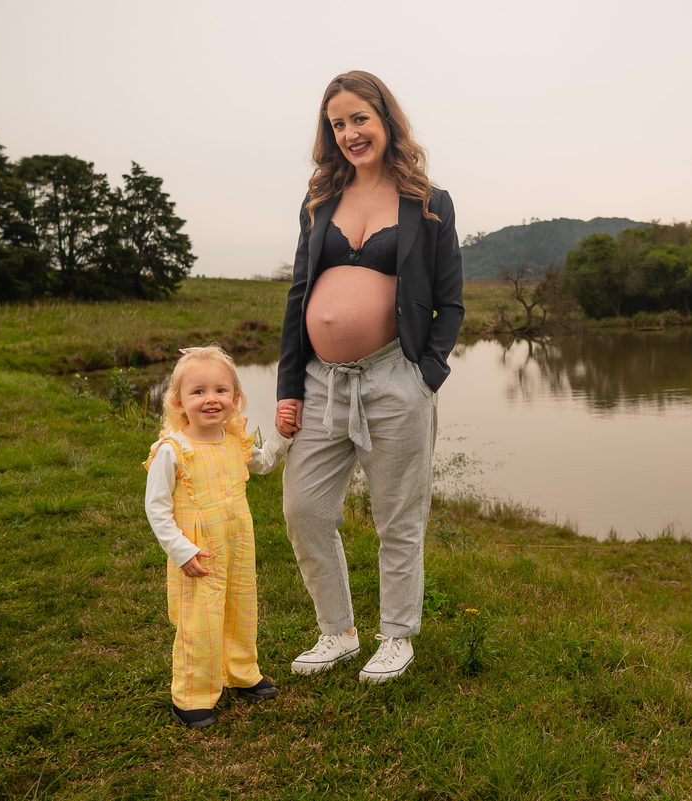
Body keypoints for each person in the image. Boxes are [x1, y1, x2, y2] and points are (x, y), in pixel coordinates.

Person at [275, 70, 464, 684]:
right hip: (321, 380)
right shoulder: (319, 202)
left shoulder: (429, 202)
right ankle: (338, 632)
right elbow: (299, 294)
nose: (351, 132)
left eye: (360, 118)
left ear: (385, 119)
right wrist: (287, 388)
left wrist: (426, 374)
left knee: (398, 517)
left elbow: (450, 302)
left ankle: (397, 636)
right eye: (338, 124)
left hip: (394, 378)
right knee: (304, 507)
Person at [144, 345, 294, 728]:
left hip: (238, 542)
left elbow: (262, 462)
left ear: (235, 398)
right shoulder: (173, 450)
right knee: (201, 622)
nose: (211, 399)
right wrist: (181, 550)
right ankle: (191, 697)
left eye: (220, 390)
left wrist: (281, 435)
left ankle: (241, 672)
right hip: (198, 551)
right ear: (178, 402)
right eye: (198, 392)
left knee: (241, 609)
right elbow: (156, 509)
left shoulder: (233, 440)